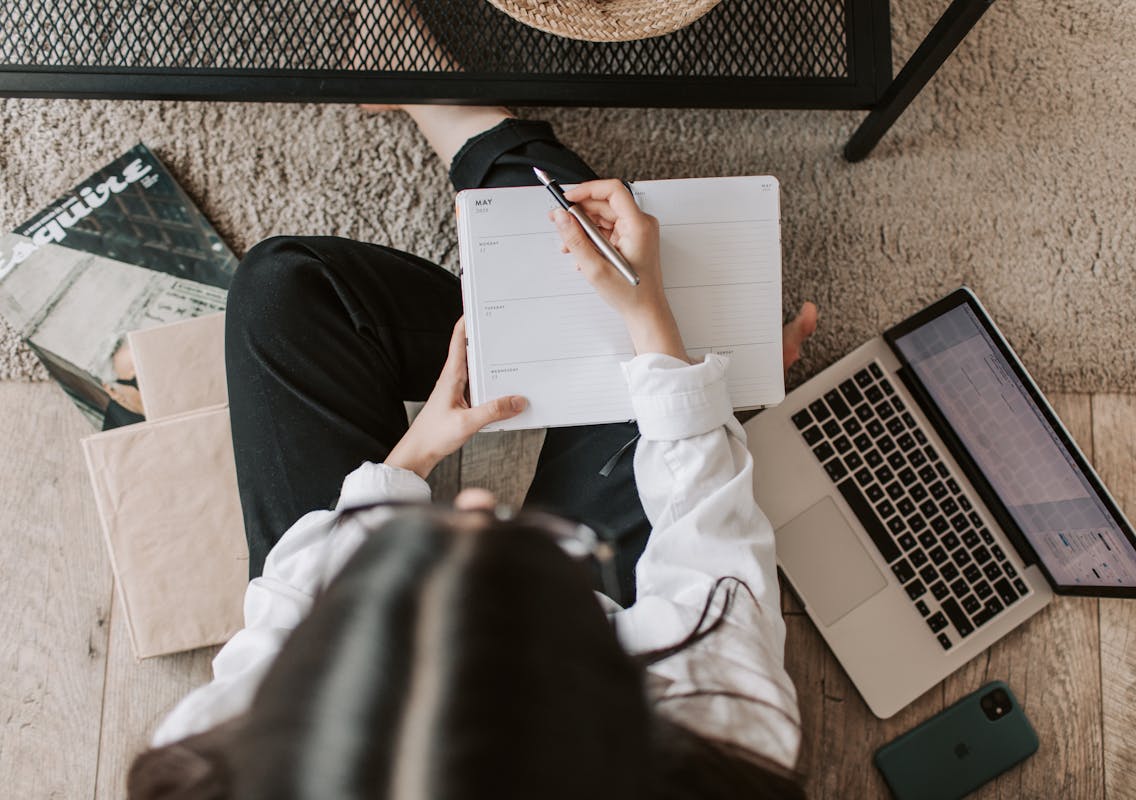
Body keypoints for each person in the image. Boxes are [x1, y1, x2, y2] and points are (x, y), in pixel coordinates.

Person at [127, 103, 820, 799]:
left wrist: (409, 461)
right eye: (536, 552)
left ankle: (482, 143)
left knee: (285, 286)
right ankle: (471, 126)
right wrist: (659, 331)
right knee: (668, 355)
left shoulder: (215, 763)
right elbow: (709, 544)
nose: (479, 499)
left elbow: (287, 609)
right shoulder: (723, 744)